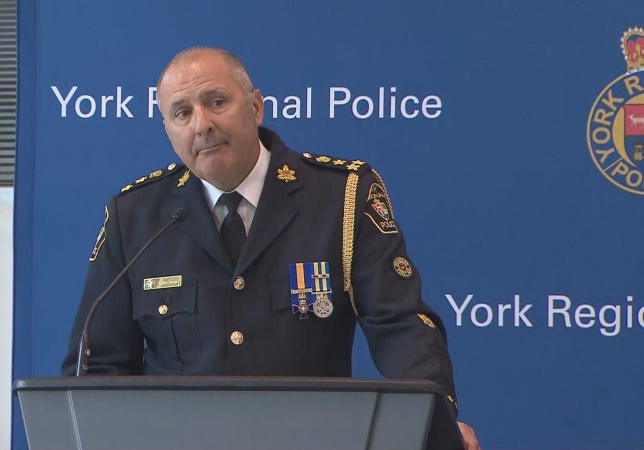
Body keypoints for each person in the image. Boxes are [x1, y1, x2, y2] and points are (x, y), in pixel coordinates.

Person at [62, 47, 480, 449]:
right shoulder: (134, 216)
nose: (202, 124)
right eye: (182, 113)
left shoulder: (341, 197)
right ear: (169, 131)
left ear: (256, 107)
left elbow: (401, 326)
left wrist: (436, 421)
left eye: (217, 101)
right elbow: (98, 364)